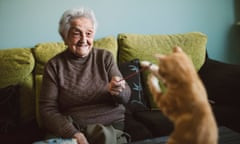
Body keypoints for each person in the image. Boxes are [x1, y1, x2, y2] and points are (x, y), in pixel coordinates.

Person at [39, 7, 131, 144]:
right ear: (65, 37)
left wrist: (120, 90)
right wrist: (73, 133)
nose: (84, 39)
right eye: (77, 34)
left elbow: (126, 97)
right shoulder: (54, 66)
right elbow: (47, 109)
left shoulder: (105, 57)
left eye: (89, 34)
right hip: (72, 127)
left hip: (109, 125)